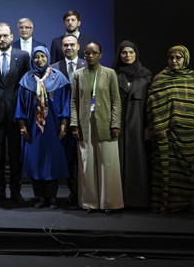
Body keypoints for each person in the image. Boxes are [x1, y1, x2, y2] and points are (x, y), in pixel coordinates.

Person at [147, 45, 194, 214]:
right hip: (169, 134)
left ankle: (184, 203)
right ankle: (166, 203)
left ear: (185, 59)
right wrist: (159, 125)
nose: (174, 61)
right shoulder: (161, 79)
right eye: (171, 58)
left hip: (191, 134)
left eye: (178, 58)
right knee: (168, 170)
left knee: (188, 172)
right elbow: (153, 103)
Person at [70, 42, 123, 213]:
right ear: (84, 55)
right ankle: (89, 202)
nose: (90, 56)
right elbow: (73, 102)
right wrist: (74, 124)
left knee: (108, 164)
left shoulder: (110, 73)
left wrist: (115, 124)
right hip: (85, 123)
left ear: (100, 55)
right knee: (87, 164)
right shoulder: (78, 74)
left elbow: (116, 101)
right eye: (87, 53)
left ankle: (109, 203)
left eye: (94, 53)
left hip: (106, 123)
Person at [16, 46, 70, 209]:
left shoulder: (58, 77)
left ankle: (52, 197)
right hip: (33, 127)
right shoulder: (27, 78)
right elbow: (20, 105)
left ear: (47, 58)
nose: (39, 60)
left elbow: (66, 103)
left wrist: (64, 123)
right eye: (36, 57)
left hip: (53, 127)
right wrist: (22, 126)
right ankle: (39, 197)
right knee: (35, 161)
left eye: (42, 56)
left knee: (52, 161)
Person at [0, 22, 31, 203]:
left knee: (15, 154)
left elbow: (27, 85)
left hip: (16, 114)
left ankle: (16, 191)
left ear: (12, 37)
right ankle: (0, 191)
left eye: (5, 36)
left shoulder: (23, 56)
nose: (2, 39)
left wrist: (24, 112)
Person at [111, 40, 153, 208]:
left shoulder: (146, 75)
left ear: (136, 54)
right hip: (119, 124)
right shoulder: (113, 74)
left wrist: (148, 126)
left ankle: (138, 200)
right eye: (124, 52)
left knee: (138, 160)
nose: (127, 55)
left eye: (131, 52)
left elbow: (151, 103)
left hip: (138, 124)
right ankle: (118, 199)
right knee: (118, 160)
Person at [53, 34, 86, 203]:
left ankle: (82, 193)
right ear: (61, 47)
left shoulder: (87, 65)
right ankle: (70, 192)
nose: (69, 48)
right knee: (67, 157)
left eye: (72, 45)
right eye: (66, 45)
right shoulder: (54, 68)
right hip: (62, 119)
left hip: (84, 117)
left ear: (78, 46)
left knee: (83, 157)